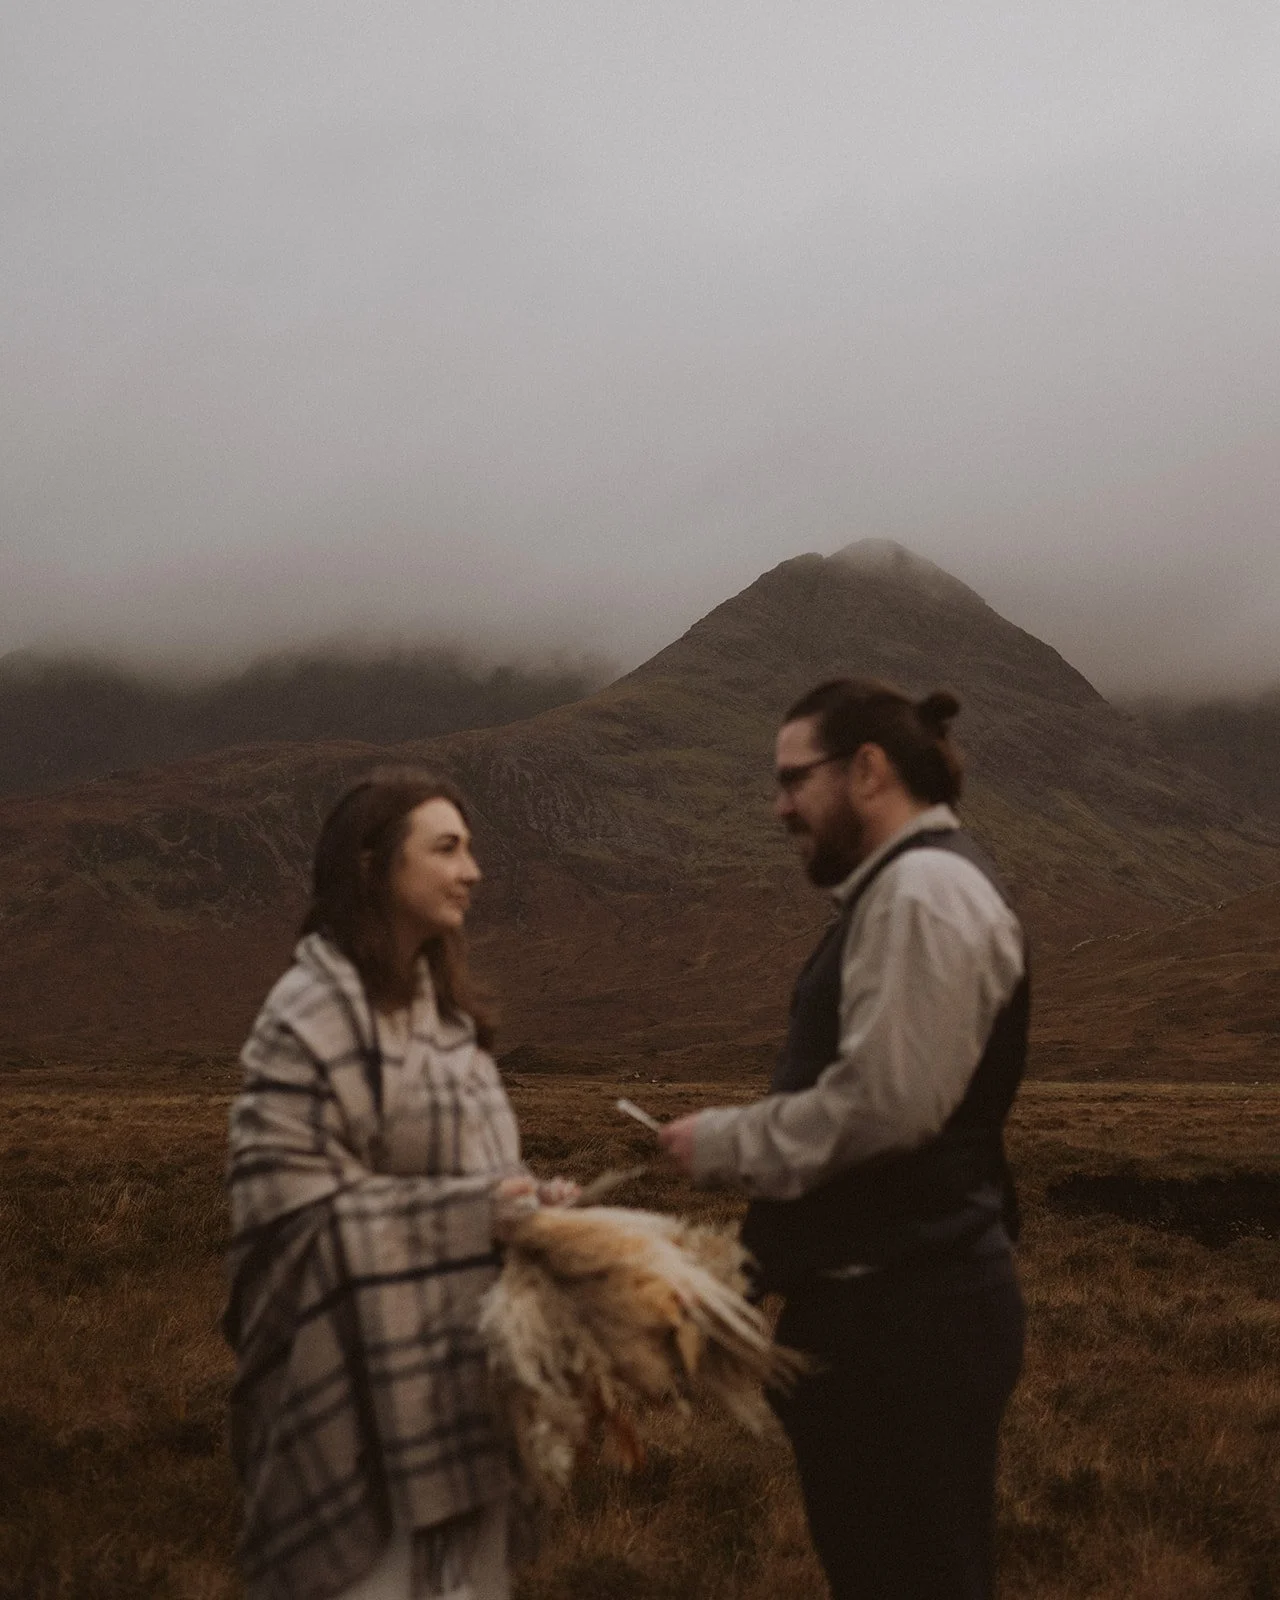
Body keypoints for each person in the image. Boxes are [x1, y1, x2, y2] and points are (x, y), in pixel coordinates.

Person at [659, 679, 1029, 1600]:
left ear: (868, 770)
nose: (780, 807)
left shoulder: (920, 892)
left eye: (795, 779)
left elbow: (886, 1105)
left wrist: (725, 1143)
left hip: (906, 1323)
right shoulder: (908, 888)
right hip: (892, 1313)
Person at [223, 767, 573, 1600]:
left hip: (460, 1391)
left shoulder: (445, 1018)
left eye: (470, 850)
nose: (471, 871)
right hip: (351, 1393)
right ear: (372, 866)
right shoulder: (307, 1017)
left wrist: (533, 1206)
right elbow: (289, 1216)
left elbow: (482, 1174)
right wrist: (475, 1216)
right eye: (446, 849)